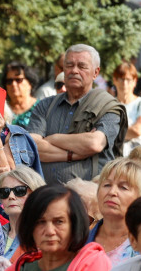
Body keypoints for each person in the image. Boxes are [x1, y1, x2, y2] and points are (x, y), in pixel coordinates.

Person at [28, 44, 126, 184]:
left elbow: (94, 143)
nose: (74, 70)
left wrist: (52, 138)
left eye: (82, 66)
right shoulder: (45, 105)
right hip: (46, 195)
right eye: (69, 65)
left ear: (95, 72)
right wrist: (71, 154)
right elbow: (32, 147)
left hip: (90, 197)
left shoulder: (108, 106)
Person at [88, 158, 141, 267]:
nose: (112, 192)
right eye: (107, 185)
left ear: (140, 198)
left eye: (123, 187)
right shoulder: (79, 240)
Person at [0, 168, 46, 260]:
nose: (11, 196)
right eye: (4, 192)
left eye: (20, 191)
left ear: (35, 194)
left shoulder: (43, 234)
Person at [113, 61, 141, 156]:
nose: (125, 83)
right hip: (115, 158)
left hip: (138, 159)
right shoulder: (108, 104)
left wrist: (110, 131)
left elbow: (138, 130)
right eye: (121, 79)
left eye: (129, 79)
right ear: (114, 80)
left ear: (135, 82)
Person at [3, 62, 41, 129]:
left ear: (30, 83)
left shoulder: (41, 108)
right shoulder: (2, 109)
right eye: (9, 81)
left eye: (18, 80)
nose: (13, 84)